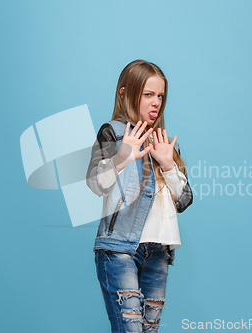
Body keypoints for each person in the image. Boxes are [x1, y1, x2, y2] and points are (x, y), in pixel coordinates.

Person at [86, 59, 193, 333]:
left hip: (158, 252)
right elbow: (95, 184)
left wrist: (168, 164)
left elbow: (184, 200)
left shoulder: (166, 143)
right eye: (148, 94)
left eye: (160, 95)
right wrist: (121, 158)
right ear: (125, 93)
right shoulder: (114, 132)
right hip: (120, 250)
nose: (156, 102)